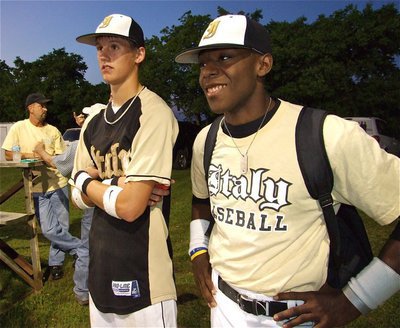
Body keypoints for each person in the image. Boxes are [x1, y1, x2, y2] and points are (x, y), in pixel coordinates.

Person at [175, 14, 400, 328]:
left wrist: (355, 301)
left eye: (225, 57)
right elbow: (201, 201)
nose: (208, 72)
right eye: (202, 63)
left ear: (263, 64)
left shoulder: (325, 134)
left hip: (294, 316)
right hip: (224, 306)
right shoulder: (206, 140)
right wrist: (198, 251)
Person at [72, 13, 179, 326]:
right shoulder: (92, 122)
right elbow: (77, 200)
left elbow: (131, 208)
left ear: (139, 54)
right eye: (100, 47)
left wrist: (84, 180)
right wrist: (115, 185)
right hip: (100, 270)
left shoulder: (154, 113)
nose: (104, 54)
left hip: (143, 274)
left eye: (115, 46)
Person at [1, 92, 81, 280]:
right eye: (41, 105)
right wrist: (34, 155)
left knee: (61, 226)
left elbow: (62, 159)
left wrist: (47, 157)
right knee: (48, 229)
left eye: (46, 106)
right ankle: (80, 247)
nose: (45, 109)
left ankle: (55, 264)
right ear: (30, 108)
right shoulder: (19, 128)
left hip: (58, 181)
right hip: (37, 183)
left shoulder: (53, 130)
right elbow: (8, 154)